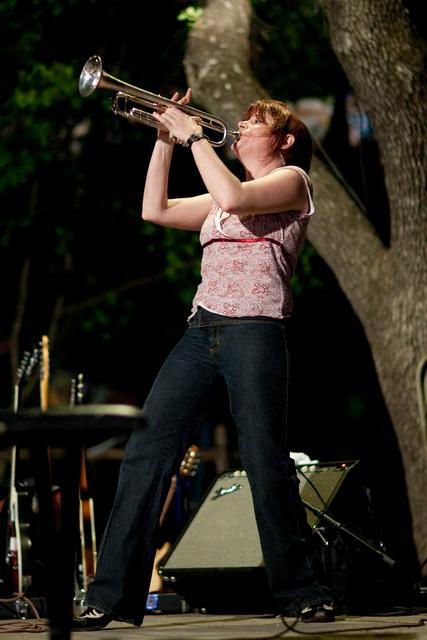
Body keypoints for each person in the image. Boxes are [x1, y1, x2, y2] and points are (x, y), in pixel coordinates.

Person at [72, 89, 335, 631]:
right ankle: (111, 596)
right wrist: (166, 142)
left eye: (253, 123)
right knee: (147, 451)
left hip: (256, 330)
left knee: (265, 459)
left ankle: (300, 590)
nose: (238, 127)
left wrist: (195, 136)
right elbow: (155, 210)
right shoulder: (221, 190)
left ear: (283, 141)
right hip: (201, 329)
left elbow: (237, 199)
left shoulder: (292, 182)